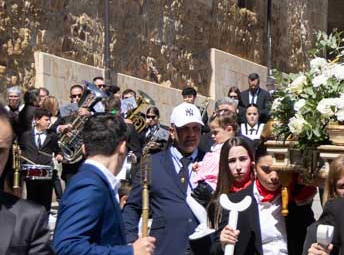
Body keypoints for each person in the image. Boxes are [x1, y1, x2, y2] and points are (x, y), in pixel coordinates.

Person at [53, 112, 155, 255]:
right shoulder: (89, 185)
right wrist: (129, 251)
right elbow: (66, 247)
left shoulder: (95, 181)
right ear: (122, 147)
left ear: (83, 148)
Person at [122, 102, 207, 255]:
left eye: (196, 128)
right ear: (172, 131)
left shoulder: (210, 161)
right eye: (185, 129)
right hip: (165, 247)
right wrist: (132, 242)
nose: (192, 134)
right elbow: (132, 207)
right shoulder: (151, 163)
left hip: (204, 248)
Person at [216, 141, 315, 255]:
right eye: (266, 170)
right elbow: (215, 248)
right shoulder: (236, 202)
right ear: (254, 168)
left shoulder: (295, 198)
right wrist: (223, 242)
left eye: (278, 170)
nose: (274, 176)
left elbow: (310, 235)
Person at [0, 111, 54, 255]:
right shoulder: (26, 136)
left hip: (43, 174)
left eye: (0, 151)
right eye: (45, 119)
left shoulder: (29, 219)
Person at [19, 106, 60, 210]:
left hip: (46, 174)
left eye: (49, 120)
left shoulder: (53, 136)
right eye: (46, 120)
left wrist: (60, 155)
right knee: (31, 201)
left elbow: (58, 150)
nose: (49, 122)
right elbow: (20, 150)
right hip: (31, 174)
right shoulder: (26, 136)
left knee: (45, 203)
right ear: (37, 120)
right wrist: (22, 161)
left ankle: (44, 222)